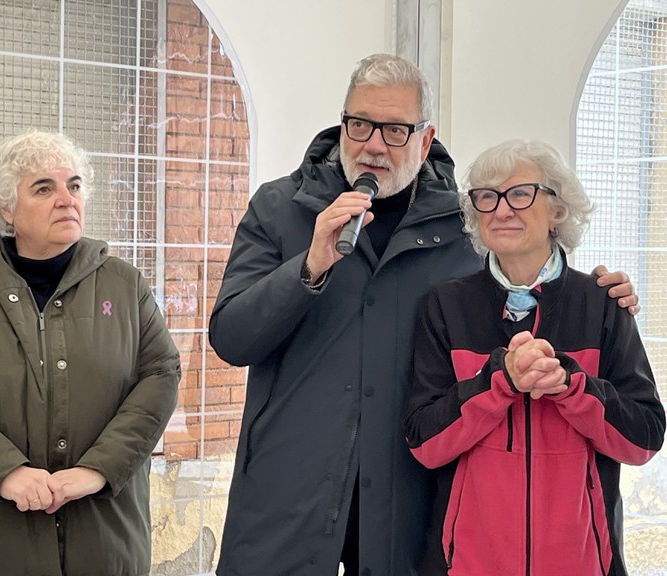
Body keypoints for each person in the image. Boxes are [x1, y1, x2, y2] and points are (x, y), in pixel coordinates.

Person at [208, 53, 640, 576]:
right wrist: (310, 265)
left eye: (395, 130)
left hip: (409, 509)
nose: (373, 144)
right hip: (288, 498)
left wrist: (602, 295)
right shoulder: (280, 209)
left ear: (426, 136)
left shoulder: (464, 228)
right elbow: (231, 338)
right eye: (360, 124)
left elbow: (524, 286)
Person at [0, 130, 181, 576]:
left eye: (74, 185)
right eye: (43, 187)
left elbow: (162, 374)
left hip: (108, 544)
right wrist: (7, 470)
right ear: (7, 208)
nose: (66, 198)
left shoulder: (124, 285)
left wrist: (99, 469)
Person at [404, 139, 665, 575]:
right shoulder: (445, 306)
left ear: (557, 210)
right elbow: (425, 444)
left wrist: (571, 385)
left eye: (520, 193)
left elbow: (643, 440)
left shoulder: (602, 304)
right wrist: (498, 381)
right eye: (486, 197)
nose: (501, 210)